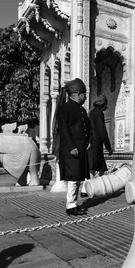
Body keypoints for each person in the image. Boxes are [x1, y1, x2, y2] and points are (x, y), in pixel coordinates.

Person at [53, 78, 92, 216]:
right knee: (73, 178)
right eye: (84, 94)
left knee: (79, 177)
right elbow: (63, 130)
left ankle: (74, 203)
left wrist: (88, 142)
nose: (86, 97)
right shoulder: (65, 108)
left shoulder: (81, 109)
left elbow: (86, 128)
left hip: (81, 148)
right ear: (78, 93)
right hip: (72, 149)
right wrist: (71, 147)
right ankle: (70, 206)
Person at [88, 94, 113, 177]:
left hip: (91, 142)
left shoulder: (92, 111)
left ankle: (93, 185)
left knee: (96, 166)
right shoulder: (98, 113)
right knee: (95, 166)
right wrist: (108, 147)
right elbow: (102, 130)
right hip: (96, 144)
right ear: (103, 105)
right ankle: (93, 186)